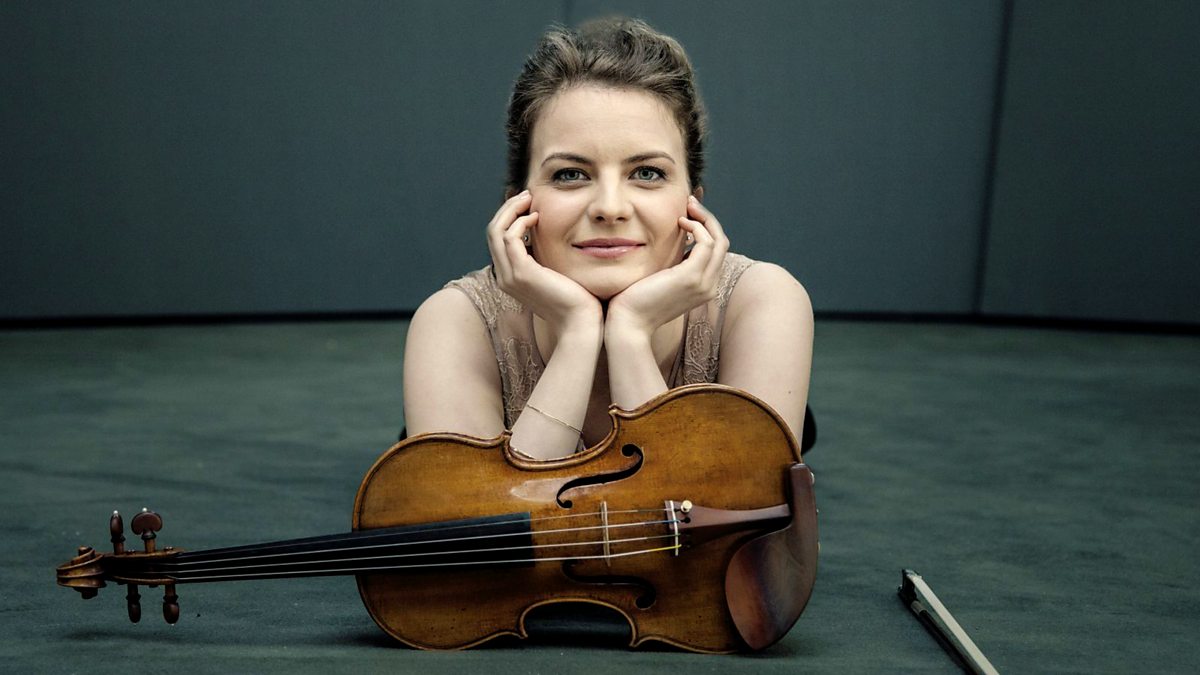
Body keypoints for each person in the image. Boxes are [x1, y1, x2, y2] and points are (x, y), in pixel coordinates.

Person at [403, 18, 813, 460]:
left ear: (692, 201)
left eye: (647, 173)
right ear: (517, 205)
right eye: (570, 174)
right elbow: (489, 510)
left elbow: (722, 504)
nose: (610, 207)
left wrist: (630, 333)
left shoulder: (760, 301)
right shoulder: (456, 321)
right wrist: (578, 332)